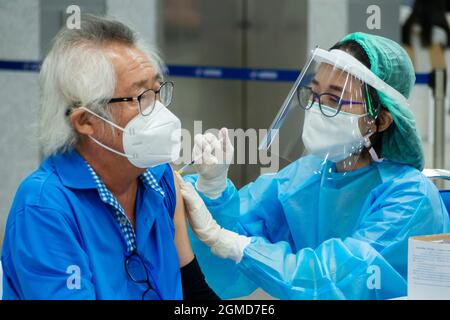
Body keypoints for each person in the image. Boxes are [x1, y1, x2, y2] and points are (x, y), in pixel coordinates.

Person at [180, 32, 450, 300]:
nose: (317, 108)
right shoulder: (305, 176)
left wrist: (231, 243)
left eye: (334, 99)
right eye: (314, 93)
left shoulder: (411, 197)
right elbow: (229, 267)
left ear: (379, 120)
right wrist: (214, 192)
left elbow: (337, 282)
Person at [1, 15, 218, 300]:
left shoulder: (159, 176)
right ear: (86, 121)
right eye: (140, 96)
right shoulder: (45, 209)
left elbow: (194, 293)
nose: (160, 111)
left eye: (157, 90)